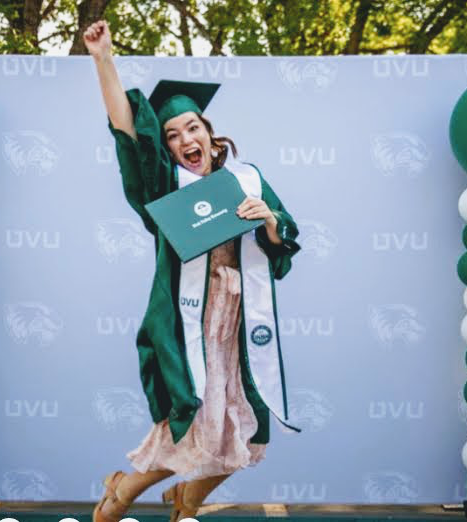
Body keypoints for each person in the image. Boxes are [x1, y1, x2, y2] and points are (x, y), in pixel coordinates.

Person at [84, 19, 302, 522]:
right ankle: (124, 489)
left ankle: (185, 502)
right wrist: (104, 59)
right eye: (173, 134)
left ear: (209, 132)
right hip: (187, 323)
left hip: (240, 320)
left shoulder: (246, 179)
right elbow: (128, 130)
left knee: (244, 424)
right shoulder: (164, 186)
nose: (186, 139)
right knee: (192, 422)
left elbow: (284, 238)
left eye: (193, 128)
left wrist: (268, 219)